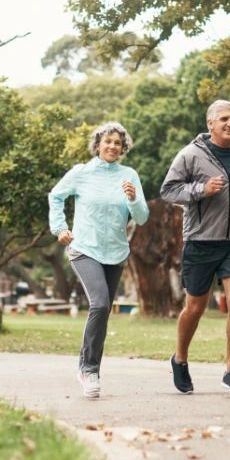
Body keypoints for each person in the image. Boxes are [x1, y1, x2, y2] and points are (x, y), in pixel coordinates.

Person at [160, 99, 230, 394]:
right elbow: (168, 190)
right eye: (224, 119)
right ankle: (180, 359)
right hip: (201, 241)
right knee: (195, 307)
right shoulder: (190, 155)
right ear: (210, 124)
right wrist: (201, 190)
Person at [48, 121, 149, 399]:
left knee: (103, 312)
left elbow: (141, 217)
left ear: (123, 147)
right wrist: (60, 227)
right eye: (108, 141)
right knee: (100, 303)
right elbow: (56, 196)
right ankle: (90, 370)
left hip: (115, 253)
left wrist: (132, 199)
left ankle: (86, 365)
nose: (113, 146)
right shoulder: (81, 173)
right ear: (98, 145)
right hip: (84, 248)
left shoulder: (129, 175)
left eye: (118, 143)